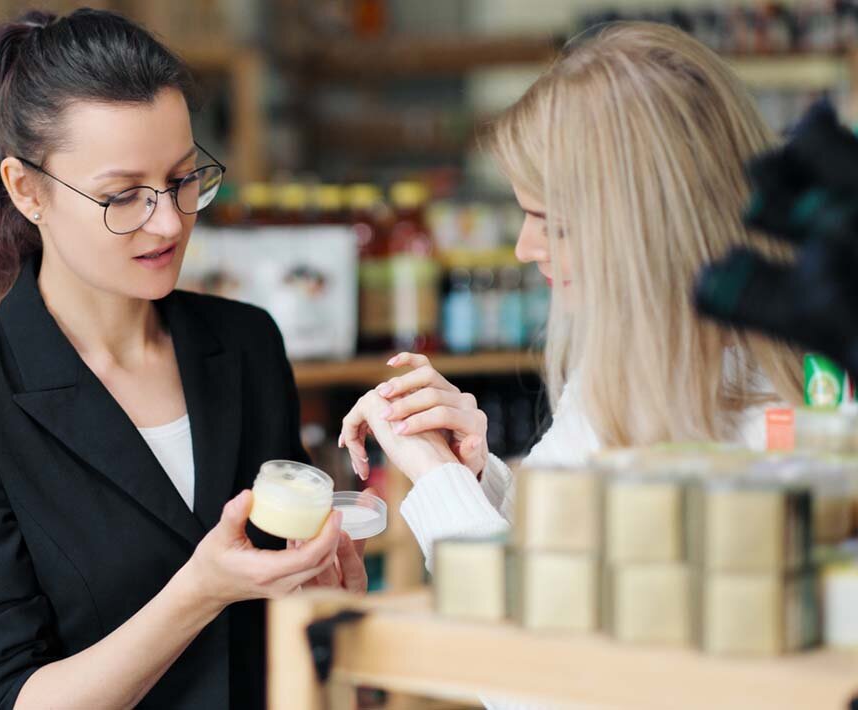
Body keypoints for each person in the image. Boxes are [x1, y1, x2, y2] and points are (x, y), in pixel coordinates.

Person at [0, 10, 374, 709]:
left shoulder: (244, 345)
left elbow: (279, 624)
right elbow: (2, 698)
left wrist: (325, 601)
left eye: (183, 180)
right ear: (27, 191)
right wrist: (198, 593)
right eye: (123, 197)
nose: (169, 222)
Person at [339, 22, 806, 571]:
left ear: (649, 220)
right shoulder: (626, 361)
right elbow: (551, 554)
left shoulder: (782, 414)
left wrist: (436, 476)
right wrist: (474, 475)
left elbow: (533, 626)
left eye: (550, 222)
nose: (523, 248)